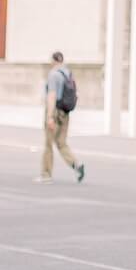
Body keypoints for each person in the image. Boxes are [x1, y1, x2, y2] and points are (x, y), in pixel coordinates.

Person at [38, 51, 84, 184]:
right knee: (62, 143)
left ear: (53, 60)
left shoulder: (53, 75)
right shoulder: (68, 73)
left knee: (48, 144)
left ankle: (46, 174)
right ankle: (76, 165)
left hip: (55, 111)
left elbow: (52, 95)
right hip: (65, 112)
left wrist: (50, 116)